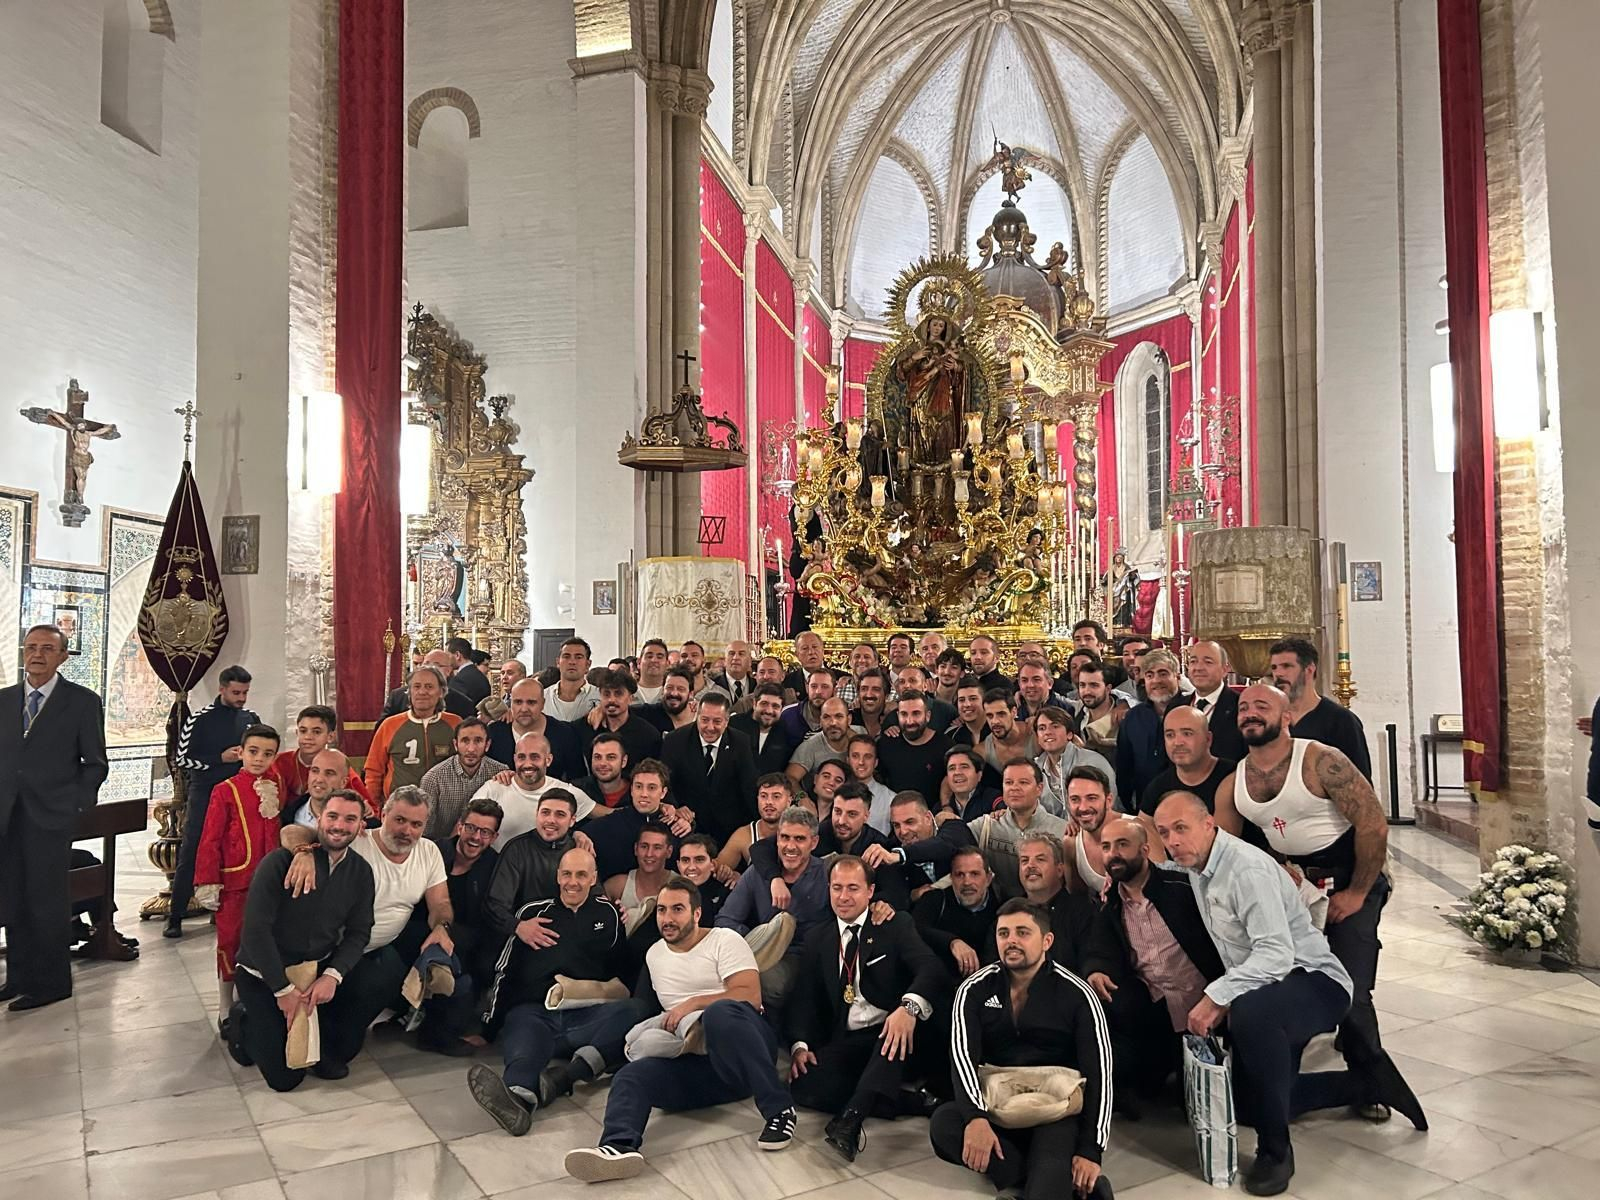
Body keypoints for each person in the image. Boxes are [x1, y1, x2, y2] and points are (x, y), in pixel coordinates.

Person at [1152, 792, 1423, 1195]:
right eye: (1163, 832)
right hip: (1271, 988)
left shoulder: (1245, 869)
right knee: (1248, 1101)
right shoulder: (1198, 866)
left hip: (1315, 980)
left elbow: (1276, 955)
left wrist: (1218, 996)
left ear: (1209, 824)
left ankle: (1276, 1151)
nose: (1173, 840)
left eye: (1181, 828)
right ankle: (1366, 1084)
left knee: (1250, 1014)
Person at [1214, 683, 1407, 1120]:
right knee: (1290, 981)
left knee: (1351, 987)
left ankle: (1369, 1079)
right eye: (1244, 708)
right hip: (1294, 886)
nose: (1250, 713)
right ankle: (1283, 1081)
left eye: (1262, 706)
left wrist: (1357, 892)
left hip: (1351, 874)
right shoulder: (1234, 784)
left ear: (1287, 718)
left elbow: (1373, 824)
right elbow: (1226, 849)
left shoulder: (1321, 760)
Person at [563, 876, 799, 1182]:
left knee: (719, 1013)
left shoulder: (724, 940)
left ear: (696, 913)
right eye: (662, 910)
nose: (667, 918)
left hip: (745, 1049)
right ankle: (618, 1147)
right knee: (630, 1076)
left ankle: (780, 1110)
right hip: (703, 1066)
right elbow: (656, 1012)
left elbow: (750, 996)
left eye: (677, 910)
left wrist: (693, 1004)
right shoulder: (654, 955)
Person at [930, 899, 1115, 1200]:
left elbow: (1101, 1074)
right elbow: (962, 1058)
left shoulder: (1078, 994)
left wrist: (1090, 1150)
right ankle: (1063, 1185)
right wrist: (976, 1118)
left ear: (1046, 940)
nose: (1011, 941)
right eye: (1003, 934)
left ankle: (1047, 1179)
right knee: (944, 1125)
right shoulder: (973, 989)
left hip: (1054, 1111)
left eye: (1022, 933)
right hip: (998, 1103)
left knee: (1046, 1187)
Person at [281, 786, 455, 1075]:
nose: (407, 831)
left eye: (416, 824)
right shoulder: (356, 840)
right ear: (383, 814)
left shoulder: (429, 851)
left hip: (374, 950)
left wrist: (441, 928)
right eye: (399, 820)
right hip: (329, 951)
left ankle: (335, 1041)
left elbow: (441, 902)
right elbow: (291, 831)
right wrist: (303, 852)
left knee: (378, 989)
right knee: (286, 1049)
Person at [470, 847, 643, 1133]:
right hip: (535, 1012)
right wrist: (488, 1027)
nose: (572, 882)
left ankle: (565, 1076)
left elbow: (622, 968)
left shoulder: (609, 914)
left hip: (587, 1016)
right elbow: (504, 971)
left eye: (581, 875)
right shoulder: (531, 913)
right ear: (558, 876)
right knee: (525, 1051)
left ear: (593, 878)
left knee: (636, 1011)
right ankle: (519, 1100)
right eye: (566, 874)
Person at [787, 856, 945, 1161]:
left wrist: (908, 1007)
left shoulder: (893, 924)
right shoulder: (818, 937)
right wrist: (799, 1044)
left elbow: (931, 968)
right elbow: (803, 998)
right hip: (850, 1039)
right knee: (802, 1084)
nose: (844, 897)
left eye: (853, 888)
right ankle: (916, 1103)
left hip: (896, 1031)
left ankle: (851, 1119)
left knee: (889, 1037)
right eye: (837, 888)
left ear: (871, 891)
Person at [228, 790, 375, 1091]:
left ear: (361, 826)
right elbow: (255, 932)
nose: (339, 826)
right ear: (319, 818)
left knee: (335, 1059)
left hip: (313, 974)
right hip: (264, 975)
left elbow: (360, 930)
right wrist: (281, 989)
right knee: (285, 1079)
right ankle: (242, 1022)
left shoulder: (360, 872)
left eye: (350, 819)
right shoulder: (280, 863)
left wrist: (333, 976)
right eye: (332, 816)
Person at [0, 624, 110, 1009]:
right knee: (12, 897)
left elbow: (95, 764)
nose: (37, 655)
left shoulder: (81, 702)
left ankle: (51, 984)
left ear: (63, 655)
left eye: (47, 648)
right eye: (31, 647)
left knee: (45, 902)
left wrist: (75, 804)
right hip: (7, 817)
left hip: (50, 817)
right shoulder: (4, 700)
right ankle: (17, 977)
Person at [1082, 817, 1223, 1106]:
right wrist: (1097, 970)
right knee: (1140, 1088)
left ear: (1145, 850)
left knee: (1228, 1101)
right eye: (1106, 847)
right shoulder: (1112, 903)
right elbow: (1099, 948)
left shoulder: (1182, 886)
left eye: (1123, 845)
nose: (1113, 854)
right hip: (1155, 1013)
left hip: (1207, 1008)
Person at [192, 723, 285, 1026]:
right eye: (253, 752)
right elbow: (210, 837)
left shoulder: (277, 785)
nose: (259, 759)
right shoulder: (225, 790)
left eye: (267, 754)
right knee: (230, 939)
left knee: (265, 938)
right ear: (241, 752)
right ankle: (224, 1003)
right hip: (236, 879)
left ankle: (254, 997)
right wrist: (207, 880)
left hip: (270, 880)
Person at [168, 664, 257, 937]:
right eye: (236, 692)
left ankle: (223, 909)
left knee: (233, 850)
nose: (241, 698)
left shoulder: (250, 718)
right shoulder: (200, 720)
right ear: (222, 689)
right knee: (193, 850)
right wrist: (219, 758)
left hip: (237, 793)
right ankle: (176, 915)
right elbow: (181, 759)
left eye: (244, 693)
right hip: (206, 792)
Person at [717, 805, 830, 1007]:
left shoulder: (827, 874)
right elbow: (725, 920)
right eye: (785, 837)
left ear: (814, 842)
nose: (790, 846)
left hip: (802, 958)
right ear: (776, 838)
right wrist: (757, 937)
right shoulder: (757, 873)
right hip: (755, 951)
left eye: (799, 839)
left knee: (763, 980)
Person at [427, 796, 505, 1053]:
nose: (475, 837)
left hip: (470, 941)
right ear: (460, 826)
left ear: (494, 837)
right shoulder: (434, 851)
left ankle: (437, 1029)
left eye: (485, 832)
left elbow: (491, 920)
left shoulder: (494, 867)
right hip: (426, 929)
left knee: (468, 975)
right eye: (471, 828)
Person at [484, 788, 588, 937]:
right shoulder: (516, 849)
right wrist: (518, 926)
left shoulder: (579, 849)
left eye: (560, 814)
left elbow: (594, 895)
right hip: (523, 934)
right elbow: (495, 904)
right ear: (536, 814)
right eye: (545, 812)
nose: (551, 820)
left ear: (572, 821)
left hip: (570, 933)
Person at [1268, 637, 1374, 780]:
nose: (1278, 674)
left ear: (1309, 670)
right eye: (1274, 667)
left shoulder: (1341, 720)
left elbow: (1360, 782)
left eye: (1286, 666)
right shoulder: (1271, 718)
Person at [659, 691, 757, 846]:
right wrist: (676, 807)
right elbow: (664, 782)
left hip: (729, 827)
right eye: (704, 720)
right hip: (686, 825)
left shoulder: (741, 742)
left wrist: (757, 827)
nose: (710, 727)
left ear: (726, 721)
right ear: (696, 717)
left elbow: (749, 787)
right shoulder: (675, 740)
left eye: (717, 721)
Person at [969, 759, 1069, 900]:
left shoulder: (1063, 830)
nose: (1014, 788)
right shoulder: (987, 826)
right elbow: (953, 839)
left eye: (1023, 782)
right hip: (1000, 911)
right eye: (1009, 783)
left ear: (1039, 788)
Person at [364, 665, 463, 804]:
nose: (422, 692)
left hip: (444, 807)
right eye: (416, 686)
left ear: (441, 692)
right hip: (398, 807)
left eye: (429, 687)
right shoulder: (389, 725)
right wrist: (374, 807)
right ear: (409, 692)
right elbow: (374, 771)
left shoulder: (455, 724)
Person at [476, 733, 589, 847]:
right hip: (498, 863)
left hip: (548, 863)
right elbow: (466, 823)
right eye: (521, 757)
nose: (527, 764)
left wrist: (579, 833)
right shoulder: (494, 788)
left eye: (534, 757)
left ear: (548, 760)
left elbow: (605, 817)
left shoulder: (566, 791)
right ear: (515, 759)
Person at [862, 790, 978, 902]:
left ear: (927, 818)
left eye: (910, 822)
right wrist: (911, 896)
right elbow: (894, 894)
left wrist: (901, 855)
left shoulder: (954, 828)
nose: (903, 831)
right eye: (896, 825)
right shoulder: (891, 849)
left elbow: (943, 845)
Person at [1114, 648, 1192, 811]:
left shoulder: (1193, 710)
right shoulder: (1133, 717)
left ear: (1177, 677)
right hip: (1145, 807)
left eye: (1163, 673)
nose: (1156, 681)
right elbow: (1124, 766)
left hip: (1188, 804)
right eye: (1150, 675)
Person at [584, 759, 687, 881]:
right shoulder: (612, 821)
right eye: (638, 786)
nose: (644, 794)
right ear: (632, 789)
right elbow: (581, 834)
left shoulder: (677, 826)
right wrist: (578, 834)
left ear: (663, 792)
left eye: (651, 788)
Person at [912, 846, 1000, 980]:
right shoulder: (935, 899)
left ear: (988, 878)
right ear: (951, 878)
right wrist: (952, 942)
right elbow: (914, 928)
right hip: (935, 985)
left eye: (974, 874)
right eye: (960, 875)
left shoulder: (1001, 910)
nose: (967, 882)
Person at [1015, 832, 1094, 972]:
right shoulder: (1009, 913)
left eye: (1040, 859)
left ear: (1059, 870)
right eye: (1024, 860)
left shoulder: (1083, 913)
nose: (1030, 866)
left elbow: (1091, 962)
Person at [272, 706, 372, 814]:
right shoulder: (279, 762)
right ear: (297, 733)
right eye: (303, 731)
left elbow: (369, 808)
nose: (308, 737)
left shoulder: (339, 767)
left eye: (316, 732)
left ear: (330, 736)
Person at [419, 716, 508, 839]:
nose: (471, 748)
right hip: (442, 849)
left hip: (484, 847)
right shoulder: (433, 779)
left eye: (478, 741)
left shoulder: (500, 772)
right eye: (465, 741)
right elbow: (424, 830)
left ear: (487, 745)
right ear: (455, 744)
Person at [1140, 705, 1234, 818]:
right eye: (1170, 735)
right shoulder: (1157, 788)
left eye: (1187, 733)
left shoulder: (1235, 776)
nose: (1178, 742)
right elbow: (1143, 829)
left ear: (1208, 739)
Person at [488, 677, 583, 782]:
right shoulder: (494, 733)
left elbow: (577, 779)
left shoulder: (564, 734)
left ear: (542, 703)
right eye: (518, 702)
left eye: (531, 702)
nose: (524, 709)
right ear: (511, 703)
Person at [1034, 706, 1115, 817]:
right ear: (1038, 738)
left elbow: (1110, 805)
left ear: (1069, 734)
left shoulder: (1093, 762)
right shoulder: (1034, 769)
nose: (1047, 732)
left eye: (1055, 726)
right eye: (1042, 728)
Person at [1061, 767, 1124, 895]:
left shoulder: (1138, 829)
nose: (1083, 807)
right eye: (1075, 799)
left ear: (1109, 801)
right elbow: (1078, 900)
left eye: (1091, 798)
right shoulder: (1071, 844)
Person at [581, 668, 663, 766]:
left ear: (630, 699)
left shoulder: (648, 735)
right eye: (606, 694)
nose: (611, 700)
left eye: (618, 694)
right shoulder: (587, 728)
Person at [876, 690, 950, 798]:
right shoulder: (886, 745)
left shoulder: (945, 746)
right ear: (898, 716)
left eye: (916, 713)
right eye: (904, 714)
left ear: (928, 716)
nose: (910, 721)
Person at [716, 773, 794, 870]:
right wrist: (730, 875)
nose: (769, 802)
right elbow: (717, 869)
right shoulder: (744, 835)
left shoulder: (801, 832)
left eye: (776, 796)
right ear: (757, 799)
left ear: (789, 801)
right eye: (763, 796)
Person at [1184, 639, 1245, 763]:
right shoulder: (1177, 706)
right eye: (1193, 661)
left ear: (1225, 669)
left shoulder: (1240, 706)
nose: (1198, 668)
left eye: (1208, 662)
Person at [604, 826, 674, 930]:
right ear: (636, 849)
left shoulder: (679, 885)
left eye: (657, 847)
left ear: (669, 851)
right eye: (644, 846)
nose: (649, 854)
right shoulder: (617, 886)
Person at [786, 696, 861, 783]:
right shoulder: (809, 747)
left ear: (849, 719)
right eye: (826, 717)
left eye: (839, 716)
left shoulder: (860, 732)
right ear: (820, 721)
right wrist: (802, 796)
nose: (833, 723)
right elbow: (790, 778)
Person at [728, 683, 796, 776]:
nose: (769, 711)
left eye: (775, 706)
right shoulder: (733, 725)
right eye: (764, 704)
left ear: (781, 709)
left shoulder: (787, 733)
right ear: (754, 703)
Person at [286, 748, 353, 828]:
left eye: (329, 773)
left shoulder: (361, 821)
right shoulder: (287, 817)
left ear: (343, 782)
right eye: (315, 771)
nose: (319, 779)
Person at [845, 733, 897, 832]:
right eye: (855, 756)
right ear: (848, 760)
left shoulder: (891, 799)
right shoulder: (836, 794)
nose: (861, 762)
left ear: (876, 762)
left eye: (867, 757)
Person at [979, 689, 1036, 776]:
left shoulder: (1035, 735)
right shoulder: (982, 751)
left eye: (1001, 714)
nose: (995, 721)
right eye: (989, 716)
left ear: (1014, 712)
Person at [571, 732, 631, 812]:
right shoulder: (576, 789)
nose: (602, 763)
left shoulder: (639, 792)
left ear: (624, 761)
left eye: (611, 757)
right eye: (597, 757)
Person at [546, 637, 601, 721]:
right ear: (558, 662)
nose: (572, 662)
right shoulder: (543, 697)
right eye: (566, 656)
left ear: (588, 664)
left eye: (578, 657)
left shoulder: (599, 697)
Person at [942, 745, 1000, 821]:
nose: (957, 772)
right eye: (952, 768)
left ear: (979, 775)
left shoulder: (992, 797)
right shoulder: (941, 809)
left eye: (964, 767)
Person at [779, 667, 836, 743]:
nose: (818, 691)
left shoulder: (842, 717)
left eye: (824, 687)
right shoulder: (788, 715)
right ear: (807, 687)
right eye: (814, 686)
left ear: (834, 690)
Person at [636, 665, 699, 734]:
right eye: (669, 687)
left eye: (681, 689)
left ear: (691, 694)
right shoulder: (647, 713)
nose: (674, 693)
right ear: (663, 690)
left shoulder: (701, 718)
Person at [446, 636, 491, 707]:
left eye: (447, 655)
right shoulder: (480, 676)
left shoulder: (459, 680)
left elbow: (455, 706)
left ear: (457, 655)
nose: (446, 659)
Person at [710, 639, 757, 704]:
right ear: (725, 660)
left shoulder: (757, 686)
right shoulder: (713, 685)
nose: (735, 657)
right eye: (731, 653)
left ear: (749, 661)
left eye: (741, 654)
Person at [634, 638, 669, 703]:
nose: (654, 660)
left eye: (659, 657)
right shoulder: (627, 693)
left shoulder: (671, 695)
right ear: (639, 662)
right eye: (649, 656)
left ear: (667, 664)